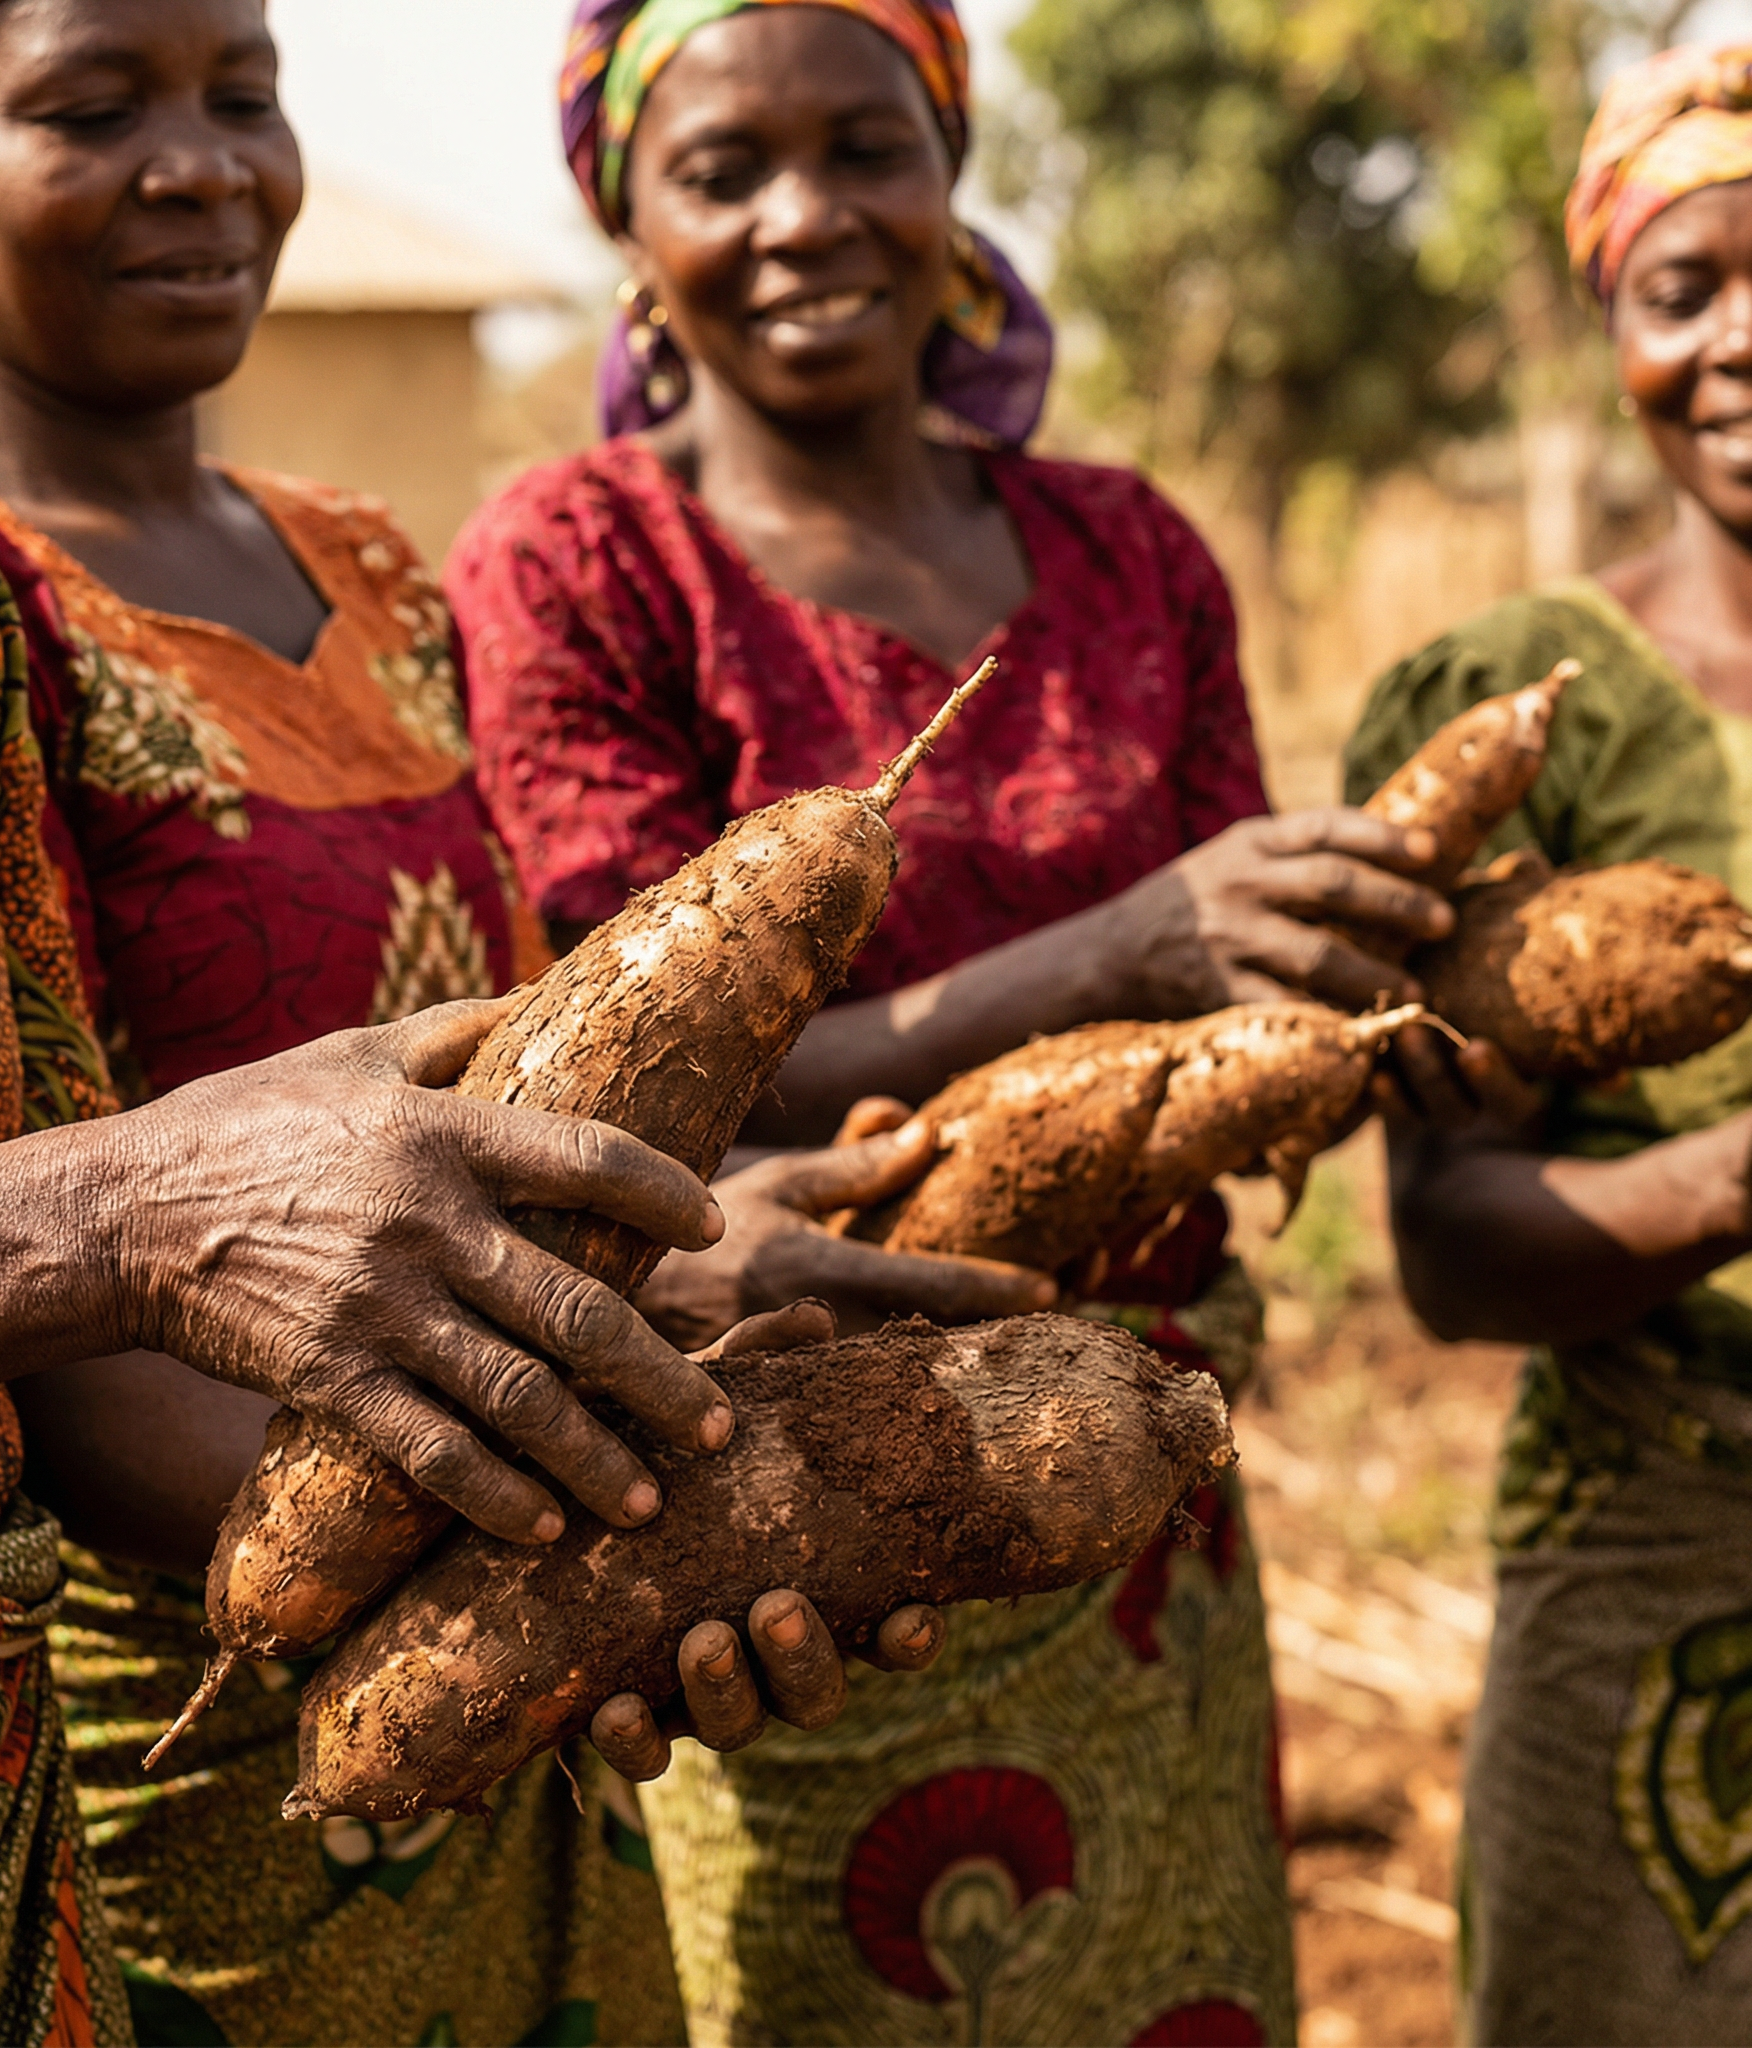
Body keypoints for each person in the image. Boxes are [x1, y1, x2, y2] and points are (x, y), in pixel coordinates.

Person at [0, 2, 1010, 2039]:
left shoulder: (365, 560)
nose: (201, 165)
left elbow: (494, 1103)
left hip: (502, 1640)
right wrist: (600, 1545)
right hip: (190, 1689)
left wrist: (700, 1269)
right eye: (94, 106)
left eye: (243, 97)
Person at [448, 2, 1459, 2040]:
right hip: (806, 1490)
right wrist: (1131, 949)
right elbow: (635, 1076)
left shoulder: (1128, 548)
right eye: (725, 171)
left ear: (950, 173)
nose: (808, 214)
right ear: (627, 220)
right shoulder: (577, 559)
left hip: (1153, 1477)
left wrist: (1384, 993)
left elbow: (1240, 1011)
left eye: (867, 148)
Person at [1345, 44, 1752, 2047]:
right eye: (1683, 292)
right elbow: (1447, 1246)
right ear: (1613, 328)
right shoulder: (1526, 717)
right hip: (1650, 1560)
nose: (1741, 342)